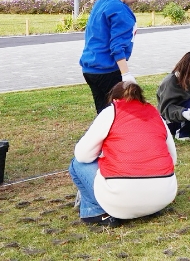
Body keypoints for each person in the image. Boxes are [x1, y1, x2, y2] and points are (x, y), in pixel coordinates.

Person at [70, 80, 177, 228]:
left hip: (121, 196)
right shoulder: (155, 113)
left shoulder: (111, 112)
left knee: (77, 164)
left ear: (114, 100)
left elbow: (82, 155)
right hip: (163, 196)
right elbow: (173, 158)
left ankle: (95, 211)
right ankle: (146, 206)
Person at [80, 0, 148, 112]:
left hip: (90, 68)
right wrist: (126, 74)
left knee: (105, 112)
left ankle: (104, 133)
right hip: (107, 70)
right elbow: (117, 47)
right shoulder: (120, 10)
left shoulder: (103, 0)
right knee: (120, 113)